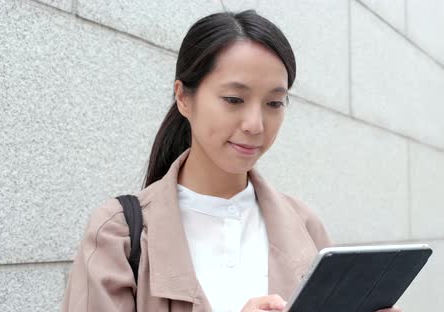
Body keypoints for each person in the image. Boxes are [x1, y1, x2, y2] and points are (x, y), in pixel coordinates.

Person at [61, 10, 402, 312]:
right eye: (234, 99)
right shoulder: (119, 233)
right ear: (183, 97)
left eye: (274, 103)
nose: (255, 125)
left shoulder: (305, 225)